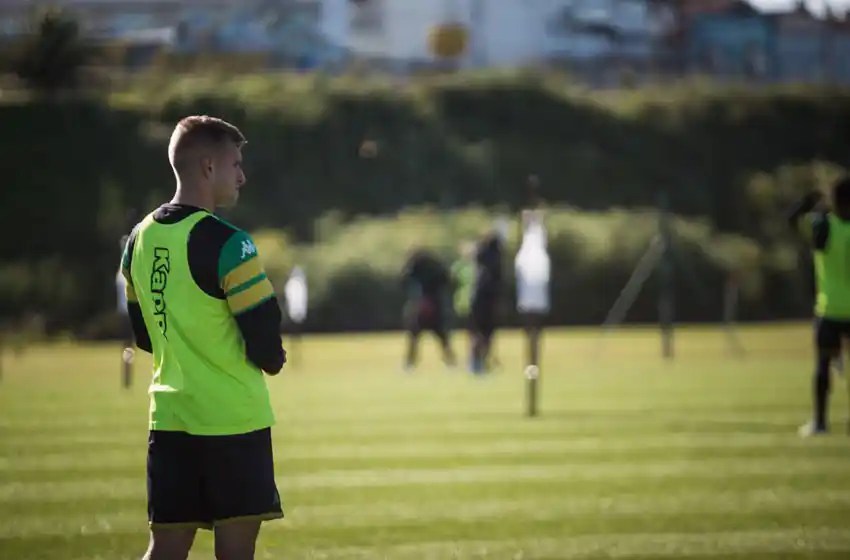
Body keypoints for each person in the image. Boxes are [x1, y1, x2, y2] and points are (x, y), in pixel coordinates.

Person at [120, 115, 287, 560]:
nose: (242, 176)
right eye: (236, 164)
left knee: (165, 550)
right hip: (232, 422)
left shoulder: (137, 240)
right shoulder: (230, 244)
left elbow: (144, 336)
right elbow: (267, 342)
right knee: (235, 553)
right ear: (209, 167)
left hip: (169, 421)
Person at [788, 177, 850, 437]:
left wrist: (808, 203)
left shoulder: (823, 226)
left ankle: (820, 422)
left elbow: (792, 222)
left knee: (823, 367)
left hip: (829, 309)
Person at [401, 246, 456, 371]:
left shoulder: (412, 269)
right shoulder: (436, 268)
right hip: (435, 306)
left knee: (414, 337)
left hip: (418, 307)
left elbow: (403, 282)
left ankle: (410, 363)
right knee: (442, 336)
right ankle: (450, 361)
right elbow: (447, 281)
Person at [470, 220, 507, 374]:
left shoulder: (481, 260)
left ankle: (477, 362)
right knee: (487, 334)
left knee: (478, 333)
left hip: (478, 300)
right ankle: (481, 361)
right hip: (489, 300)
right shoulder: (496, 260)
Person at [515, 209, 550, 368]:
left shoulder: (535, 250)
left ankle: (533, 360)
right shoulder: (529, 250)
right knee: (531, 330)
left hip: (533, 295)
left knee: (533, 329)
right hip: (530, 295)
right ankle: (532, 360)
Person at [450, 241, 476, 364]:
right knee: (471, 332)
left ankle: (472, 357)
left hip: (471, 302)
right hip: (465, 303)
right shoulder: (460, 266)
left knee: (472, 332)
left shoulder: (474, 266)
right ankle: (471, 357)